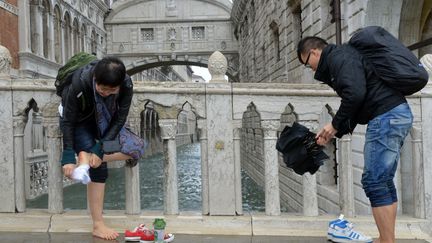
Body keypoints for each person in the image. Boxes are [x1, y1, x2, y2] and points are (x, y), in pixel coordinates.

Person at [297, 37, 413, 243]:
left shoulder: (339, 57)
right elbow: (359, 101)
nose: (311, 70)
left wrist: (333, 124)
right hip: (396, 114)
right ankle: (387, 239)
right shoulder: (344, 57)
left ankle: (387, 241)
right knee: (383, 180)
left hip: (386, 116)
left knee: (375, 181)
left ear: (315, 52)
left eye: (307, 64)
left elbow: (355, 94)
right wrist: (333, 132)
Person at [60, 56, 145, 240]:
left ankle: (85, 157)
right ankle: (98, 224)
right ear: (95, 80)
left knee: (137, 146)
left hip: (107, 122)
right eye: (102, 89)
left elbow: (120, 119)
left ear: (120, 84)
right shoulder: (80, 82)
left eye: (112, 90)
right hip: (80, 122)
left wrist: (100, 150)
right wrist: (67, 155)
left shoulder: (127, 85)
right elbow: (68, 121)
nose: (106, 93)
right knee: (98, 168)